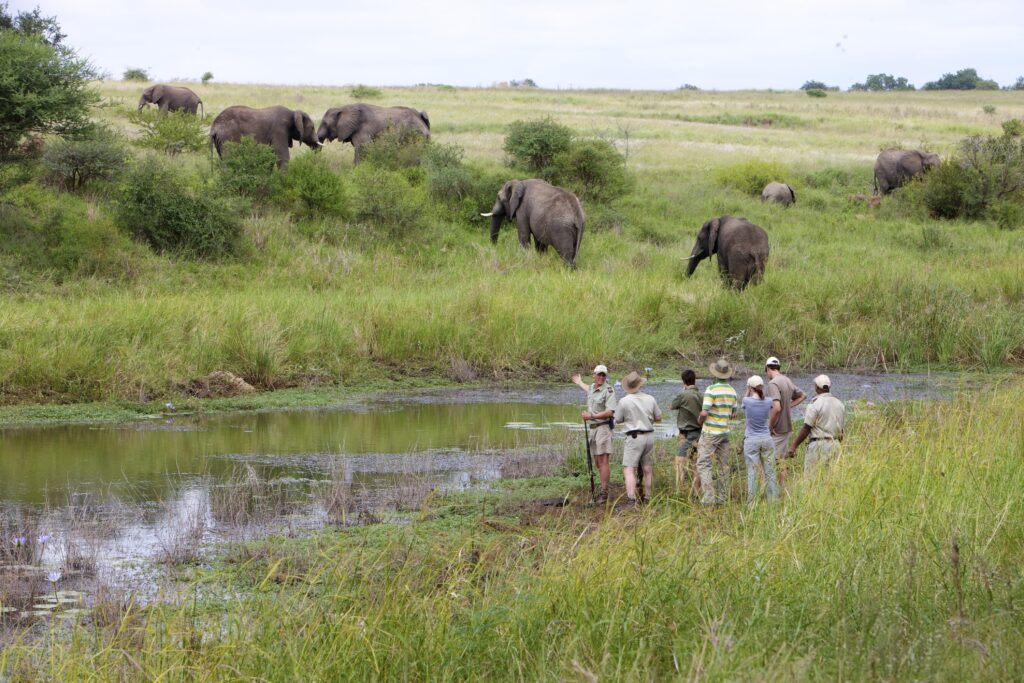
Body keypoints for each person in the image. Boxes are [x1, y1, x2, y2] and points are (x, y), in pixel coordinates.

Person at [613, 371, 662, 507]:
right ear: (639, 384)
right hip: (649, 436)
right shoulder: (650, 398)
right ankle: (647, 497)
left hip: (634, 437)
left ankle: (631, 499)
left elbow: (617, 419)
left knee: (629, 469)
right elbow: (658, 417)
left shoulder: (624, 401)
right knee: (647, 468)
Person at [572, 364, 618, 503]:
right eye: (599, 374)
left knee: (603, 461)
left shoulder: (609, 390)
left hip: (603, 428)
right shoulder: (592, 387)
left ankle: (604, 492)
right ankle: (603, 488)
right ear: (594, 375)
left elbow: (610, 412)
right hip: (593, 429)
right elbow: (588, 389)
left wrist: (591, 416)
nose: (601, 377)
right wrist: (579, 382)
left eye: (603, 375)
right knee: (598, 462)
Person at [696, 358, 738, 506]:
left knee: (703, 463)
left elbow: (704, 412)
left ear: (715, 374)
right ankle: (722, 497)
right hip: (725, 432)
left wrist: (700, 422)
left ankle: (708, 498)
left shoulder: (711, 390)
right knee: (723, 465)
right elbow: (734, 413)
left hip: (710, 432)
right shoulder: (732, 391)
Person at [788, 374, 846, 480]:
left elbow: (806, 428)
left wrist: (794, 446)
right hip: (835, 444)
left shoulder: (815, 403)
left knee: (811, 480)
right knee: (831, 480)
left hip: (818, 446)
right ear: (829, 387)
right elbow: (841, 432)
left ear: (817, 387)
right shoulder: (840, 404)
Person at [764, 356, 805, 484]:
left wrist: (770, 427)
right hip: (787, 428)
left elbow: (776, 408)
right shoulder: (786, 380)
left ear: (767, 369)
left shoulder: (773, 383)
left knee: (770, 461)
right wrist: (789, 405)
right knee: (782, 461)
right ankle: (782, 489)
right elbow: (803, 395)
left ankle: (772, 492)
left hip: (777, 429)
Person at [740, 375, 779, 502]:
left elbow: (744, 401)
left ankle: (752, 503)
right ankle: (773, 501)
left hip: (751, 440)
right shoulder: (768, 401)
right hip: (766, 439)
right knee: (770, 472)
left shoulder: (747, 401)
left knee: (753, 472)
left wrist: (747, 391)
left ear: (750, 387)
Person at [670, 368, 703, 497]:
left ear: (684, 382)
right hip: (699, 433)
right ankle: (697, 493)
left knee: (679, 462)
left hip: (686, 434)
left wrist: (683, 392)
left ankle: (680, 492)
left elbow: (672, 406)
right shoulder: (701, 395)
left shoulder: (682, 395)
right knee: (695, 464)